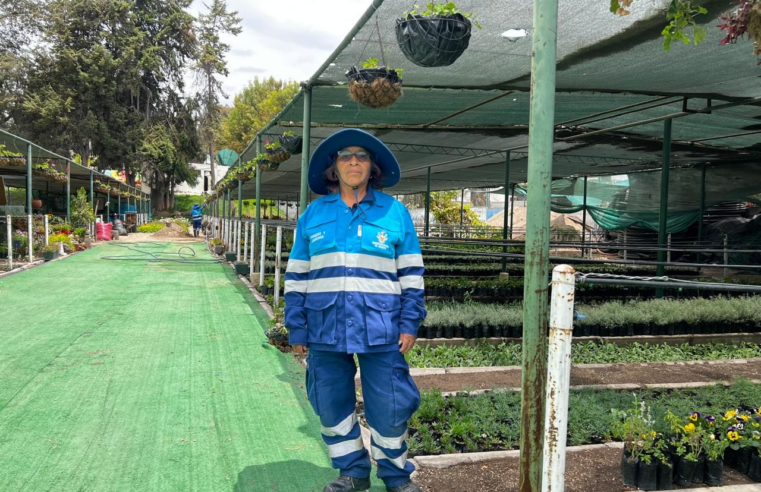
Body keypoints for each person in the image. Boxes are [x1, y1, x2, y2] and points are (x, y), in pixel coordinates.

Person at [285, 129, 427, 492]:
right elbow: (297, 275)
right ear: (333, 167)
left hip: (382, 327)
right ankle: (353, 472)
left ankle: (395, 475)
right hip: (324, 324)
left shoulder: (395, 213)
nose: (353, 161)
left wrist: (410, 322)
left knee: (391, 405)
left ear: (371, 167)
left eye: (361, 156)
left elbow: (411, 273)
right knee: (331, 403)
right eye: (344, 155)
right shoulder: (313, 215)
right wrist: (296, 327)